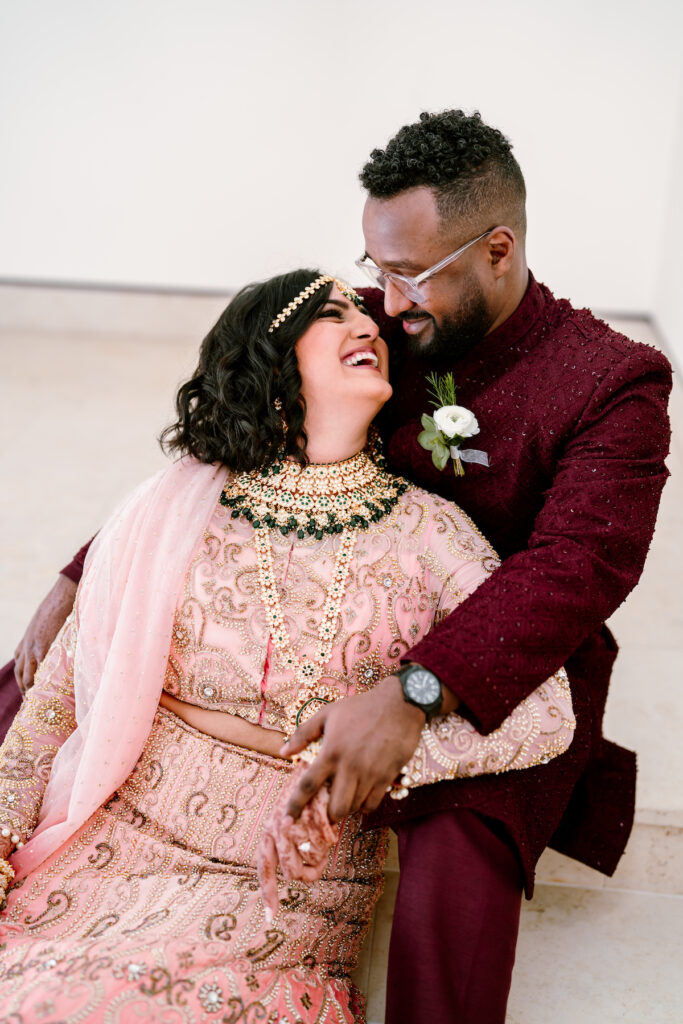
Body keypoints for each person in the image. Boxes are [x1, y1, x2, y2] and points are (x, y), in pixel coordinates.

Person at [1, 111, 673, 1023]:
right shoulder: (385, 319)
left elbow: (579, 563)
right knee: (48, 671)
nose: (383, 303)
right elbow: (241, 423)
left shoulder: (611, 379)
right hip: (325, 580)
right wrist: (95, 567)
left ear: (497, 250)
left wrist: (416, 692)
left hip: (504, 646)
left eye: (404, 275)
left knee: (464, 834)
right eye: (373, 273)